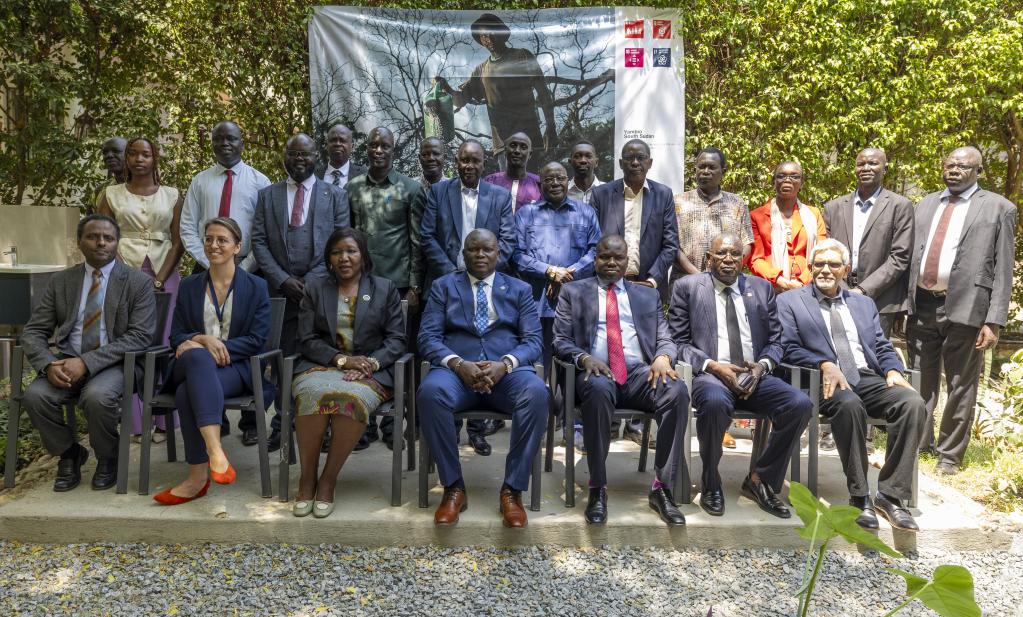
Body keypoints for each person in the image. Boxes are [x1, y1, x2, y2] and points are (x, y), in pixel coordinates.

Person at [778, 239, 926, 531]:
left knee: (912, 403)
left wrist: (894, 370)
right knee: (849, 404)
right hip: (819, 379)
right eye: (819, 264)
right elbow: (787, 347)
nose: (825, 270)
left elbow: (881, 346)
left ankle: (891, 495)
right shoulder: (790, 301)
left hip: (864, 376)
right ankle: (860, 496)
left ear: (846, 269)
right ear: (810, 267)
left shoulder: (862, 303)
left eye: (834, 264)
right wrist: (824, 363)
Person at [668, 233, 811, 519]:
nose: (729, 260)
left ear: (743, 258)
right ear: (709, 258)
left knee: (799, 404)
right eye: (721, 254)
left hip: (753, 375)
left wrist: (762, 366)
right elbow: (677, 342)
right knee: (714, 402)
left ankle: (761, 480)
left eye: (735, 254)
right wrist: (713, 366)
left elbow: (776, 340)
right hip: (711, 375)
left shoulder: (761, 288)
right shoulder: (687, 287)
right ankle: (711, 481)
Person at [416, 229, 549, 528]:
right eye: (473, 250)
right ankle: (453, 487)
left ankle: (512, 490)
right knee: (429, 392)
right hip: (456, 374)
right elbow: (427, 337)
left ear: (498, 254)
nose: (480, 255)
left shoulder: (519, 289)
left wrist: (505, 364)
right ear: (463, 255)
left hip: (505, 376)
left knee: (537, 393)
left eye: (487, 250)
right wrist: (458, 363)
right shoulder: (444, 286)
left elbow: (533, 341)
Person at [553, 234, 688, 526]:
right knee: (599, 388)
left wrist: (663, 357)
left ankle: (662, 488)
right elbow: (560, 341)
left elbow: (665, 337)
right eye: (605, 257)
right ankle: (597, 487)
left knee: (676, 390)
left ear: (628, 262)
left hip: (639, 374)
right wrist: (584, 358)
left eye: (618, 257)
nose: (611, 262)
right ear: (595, 258)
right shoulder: (574, 292)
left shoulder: (646, 295)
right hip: (595, 373)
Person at [20, 214, 155, 492]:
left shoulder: (136, 282)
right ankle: (70, 454)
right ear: (80, 242)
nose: (101, 243)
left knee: (97, 396)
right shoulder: (61, 281)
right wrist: (48, 365)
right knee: (35, 396)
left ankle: (108, 457)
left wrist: (87, 362)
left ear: (117, 243)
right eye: (93, 237)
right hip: (67, 361)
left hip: (116, 364)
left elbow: (140, 336)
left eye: (108, 238)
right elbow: (34, 332)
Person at [906, 146, 1017, 475]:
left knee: (960, 383)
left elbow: (1003, 267)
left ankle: (950, 456)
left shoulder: (999, 208)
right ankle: (917, 443)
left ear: (978, 171)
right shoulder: (925, 204)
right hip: (923, 304)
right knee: (918, 380)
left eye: (963, 167)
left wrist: (994, 320)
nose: (954, 170)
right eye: (950, 164)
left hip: (969, 308)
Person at [153, 217, 272, 505]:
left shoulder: (256, 286)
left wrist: (221, 348)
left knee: (186, 393)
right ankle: (215, 450)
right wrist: (203, 339)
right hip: (190, 362)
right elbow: (177, 335)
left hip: (235, 368)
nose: (214, 245)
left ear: (237, 246)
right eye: (209, 239)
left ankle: (197, 478)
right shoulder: (190, 285)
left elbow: (258, 339)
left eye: (222, 240)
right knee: (195, 355)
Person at [291, 228, 406, 518]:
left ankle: (328, 480)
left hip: (370, 371)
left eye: (351, 251)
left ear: (363, 256)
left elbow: (396, 339)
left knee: (349, 399)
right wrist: (342, 360)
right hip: (321, 365)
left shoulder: (384, 288)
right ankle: (307, 479)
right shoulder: (316, 288)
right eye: (337, 252)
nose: (344, 258)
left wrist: (369, 363)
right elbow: (306, 339)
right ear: (329, 258)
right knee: (311, 394)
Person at [252, 132, 350, 450]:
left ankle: (322, 424)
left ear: (315, 158)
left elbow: (340, 242)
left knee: (320, 358)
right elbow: (259, 241)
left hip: (320, 291)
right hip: (280, 293)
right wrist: (282, 279)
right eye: (293, 154)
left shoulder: (334, 195)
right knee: (281, 361)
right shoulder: (268, 195)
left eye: (306, 155)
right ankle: (281, 424)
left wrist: (311, 279)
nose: (299, 160)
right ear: (285, 157)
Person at [420, 139, 515, 451]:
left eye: (475, 161)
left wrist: (485, 271)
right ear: (456, 162)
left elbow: (508, 240)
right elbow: (427, 235)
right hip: (448, 280)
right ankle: (451, 427)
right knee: (454, 346)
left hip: (485, 282)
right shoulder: (438, 191)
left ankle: (477, 430)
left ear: (483, 164)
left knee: (482, 341)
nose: (469, 166)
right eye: (463, 160)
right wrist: (450, 273)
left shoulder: (499, 197)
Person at [590, 138, 678, 444]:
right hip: (609, 282)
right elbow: (594, 240)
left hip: (646, 286)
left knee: (641, 351)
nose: (635, 163)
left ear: (650, 163)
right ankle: (610, 423)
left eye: (641, 158)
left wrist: (652, 281)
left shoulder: (663, 195)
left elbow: (670, 244)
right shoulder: (602, 194)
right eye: (629, 158)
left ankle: (639, 428)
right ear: (621, 163)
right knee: (613, 344)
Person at [97, 136, 184, 443]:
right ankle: (136, 423)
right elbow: (104, 239)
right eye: (132, 154)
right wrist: (128, 274)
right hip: (124, 274)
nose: (138, 159)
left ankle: (164, 420)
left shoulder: (173, 194)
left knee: (164, 344)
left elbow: (178, 240)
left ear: (154, 158)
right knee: (130, 344)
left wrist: (160, 277)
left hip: (165, 273)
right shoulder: (110, 194)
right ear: (126, 160)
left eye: (145, 154)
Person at [346, 126, 425, 450]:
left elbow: (416, 241)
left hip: (398, 286)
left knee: (397, 354)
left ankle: (394, 422)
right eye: (373, 144)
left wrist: (415, 286)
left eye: (385, 145)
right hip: (362, 285)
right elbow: (348, 240)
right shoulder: (352, 188)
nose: (378, 150)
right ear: (366, 149)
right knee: (362, 349)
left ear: (393, 150)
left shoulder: (409, 188)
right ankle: (363, 423)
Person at [434, 13, 557, 169]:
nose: (489, 38)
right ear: (481, 40)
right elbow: (460, 100)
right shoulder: (481, 70)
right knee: (506, 190)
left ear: (500, 33)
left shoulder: (522, 55)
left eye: (492, 32)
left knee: (530, 187)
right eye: (483, 36)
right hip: (502, 144)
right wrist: (446, 87)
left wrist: (551, 127)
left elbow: (544, 93)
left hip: (528, 138)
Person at [822, 148, 913, 338]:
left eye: (873, 163)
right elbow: (825, 252)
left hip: (880, 300)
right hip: (837, 294)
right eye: (861, 164)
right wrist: (843, 289)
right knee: (837, 354)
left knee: (873, 360)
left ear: (885, 168)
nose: (866, 168)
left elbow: (900, 257)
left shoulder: (900, 206)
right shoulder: (833, 207)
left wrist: (863, 290)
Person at [180, 121, 270, 275]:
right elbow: (187, 227)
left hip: (248, 268)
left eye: (231, 138)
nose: (224, 143)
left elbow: (267, 231)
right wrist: (208, 262)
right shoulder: (200, 181)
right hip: (206, 265)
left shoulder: (260, 182)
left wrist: (245, 267)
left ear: (242, 144)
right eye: (218, 139)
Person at [674, 147, 753, 277]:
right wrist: (698, 276)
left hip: (727, 281)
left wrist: (730, 269)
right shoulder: (678, 202)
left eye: (711, 167)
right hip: (686, 281)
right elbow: (672, 246)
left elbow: (747, 243)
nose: (705, 171)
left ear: (723, 171)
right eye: (701, 167)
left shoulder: (736, 203)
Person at [749, 161, 827, 293]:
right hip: (771, 288)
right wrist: (778, 279)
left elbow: (822, 253)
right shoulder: (757, 216)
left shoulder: (814, 214)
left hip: (809, 286)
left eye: (794, 176)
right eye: (781, 176)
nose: (787, 180)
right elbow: (756, 259)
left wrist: (802, 281)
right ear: (774, 182)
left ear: (801, 183)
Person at [483, 132, 542, 211]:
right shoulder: (490, 182)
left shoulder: (540, 184)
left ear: (530, 154)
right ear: (506, 150)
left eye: (523, 147)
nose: (517, 151)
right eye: (513, 146)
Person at [318, 123, 367, 189]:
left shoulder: (363, 175)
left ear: (352, 146)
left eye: (343, 140)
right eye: (333, 140)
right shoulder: (315, 175)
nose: (338, 144)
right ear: (326, 145)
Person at [91, 136, 127, 214]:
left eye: (116, 151)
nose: (109, 155)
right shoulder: (99, 191)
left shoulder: (148, 190)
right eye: (105, 153)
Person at [567, 140, 604, 206]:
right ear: (570, 162)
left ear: (596, 162)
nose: (583, 160)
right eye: (577, 156)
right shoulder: (563, 191)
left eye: (588, 156)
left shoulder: (607, 191)